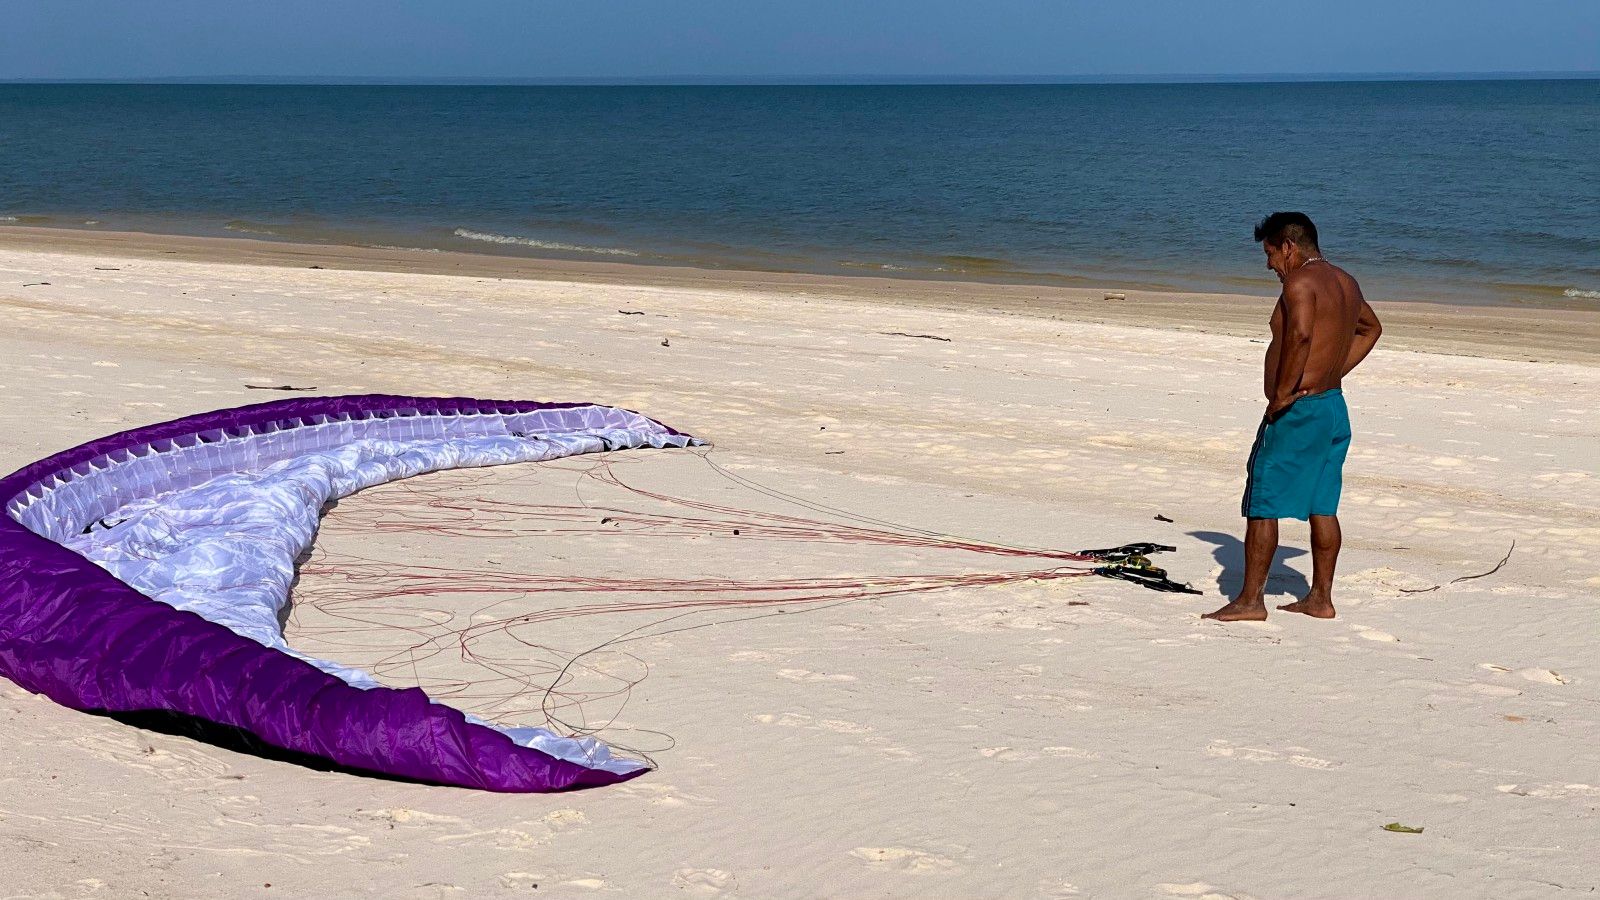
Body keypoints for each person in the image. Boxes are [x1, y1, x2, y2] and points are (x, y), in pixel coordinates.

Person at [1204, 212, 1382, 622]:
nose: (1269, 265)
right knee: (1323, 502)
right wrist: (1332, 373)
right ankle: (1320, 598)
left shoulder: (1299, 282)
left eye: (1270, 253)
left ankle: (1250, 601)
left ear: (1289, 246)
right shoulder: (1345, 281)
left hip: (1299, 411)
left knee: (1262, 502)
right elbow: (1371, 328)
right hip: (1332, 406)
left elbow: (1300, 335)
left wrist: (1282, 395)